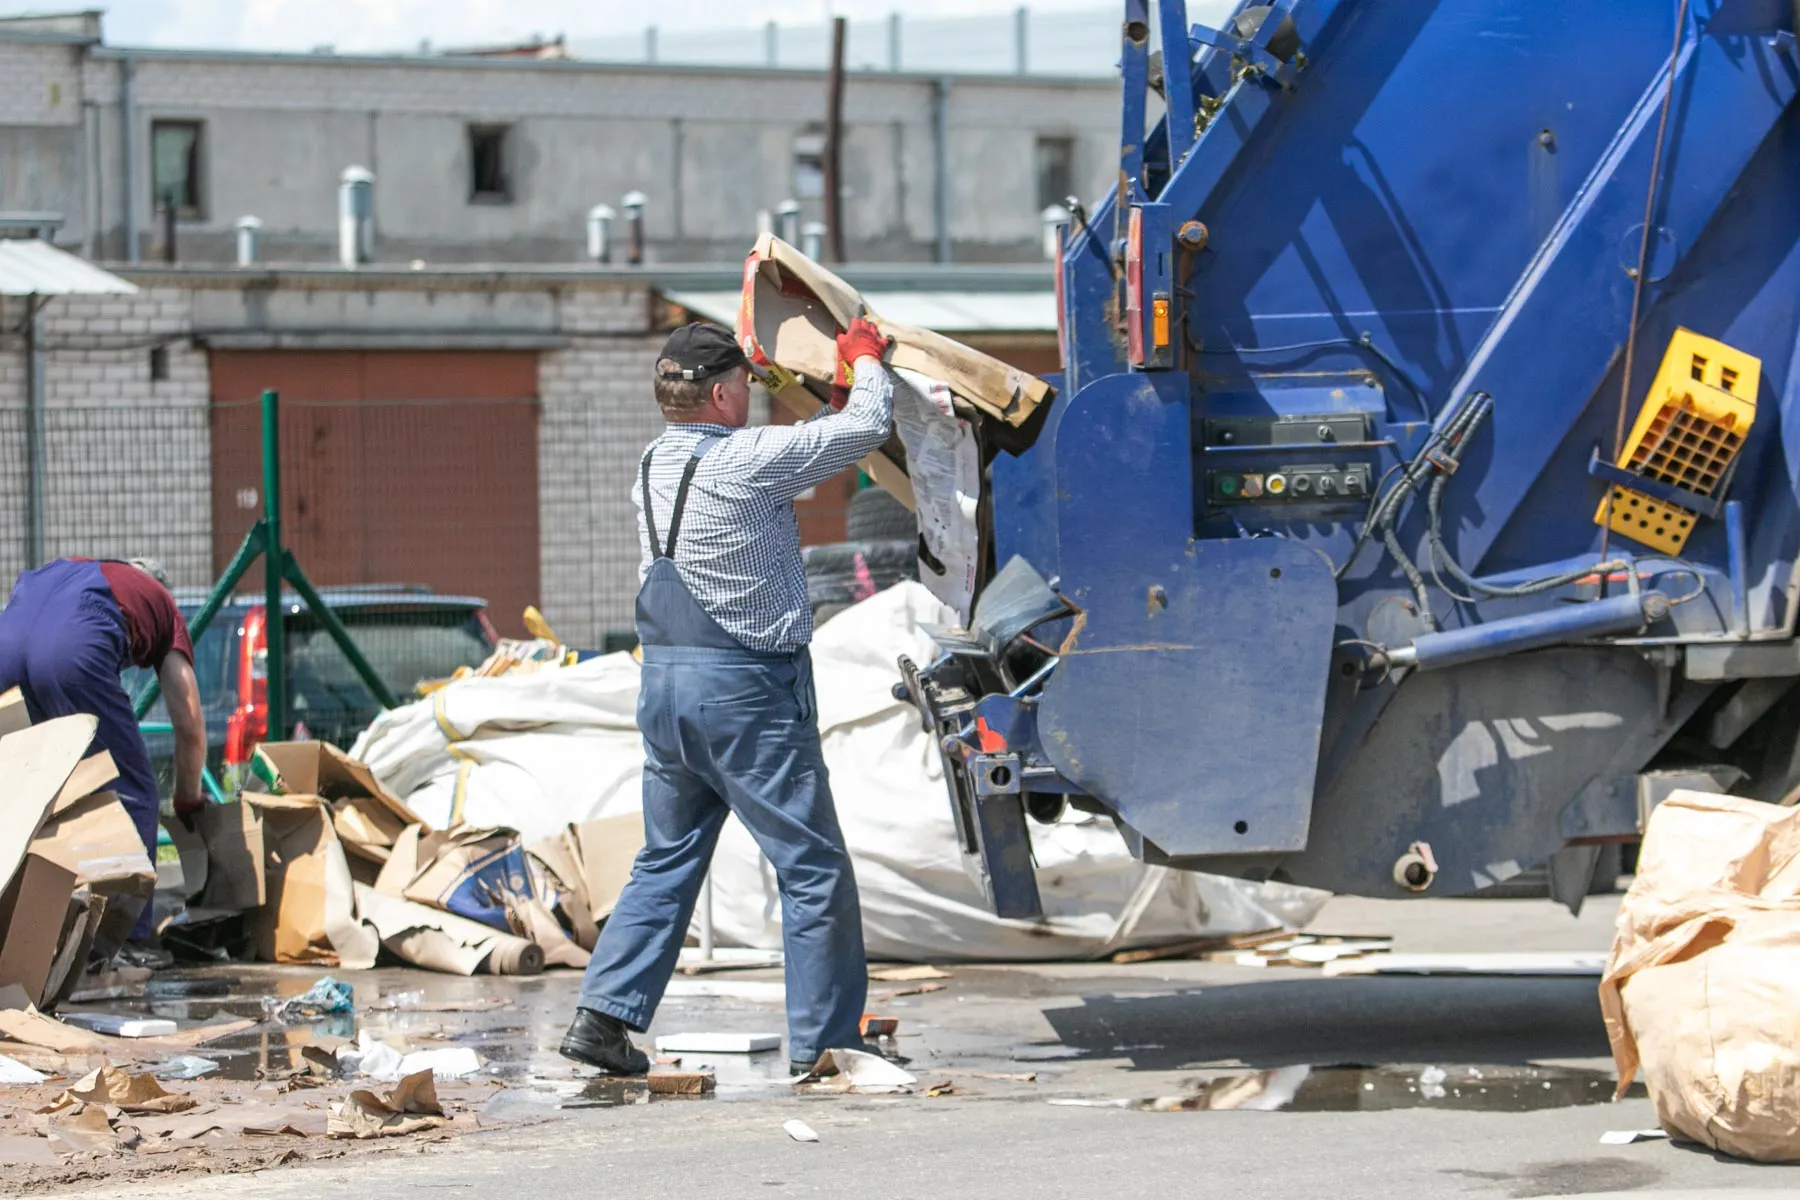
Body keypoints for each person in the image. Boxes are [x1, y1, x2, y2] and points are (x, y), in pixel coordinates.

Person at [562, 318, 894, 1077]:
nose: (751, 396)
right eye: (745, 385)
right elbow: (868, 428)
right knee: (812, 869)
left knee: (666, 858)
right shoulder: (744, 459)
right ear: (719, 393)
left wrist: (828, 407)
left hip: (665, 686)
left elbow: (801, 459)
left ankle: (603, 1018)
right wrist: (865, 361)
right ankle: (827, 1047)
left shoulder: (652, 463)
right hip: (743, 693)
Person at [0, 556, 206, 953]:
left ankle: (23, 927)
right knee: (132, 791)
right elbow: (190, 723)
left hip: (6, 643)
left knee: (30, 792)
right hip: (71, 649)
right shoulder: (161, 602)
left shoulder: (77, 569)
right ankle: (121, 945)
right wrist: (187, 800)